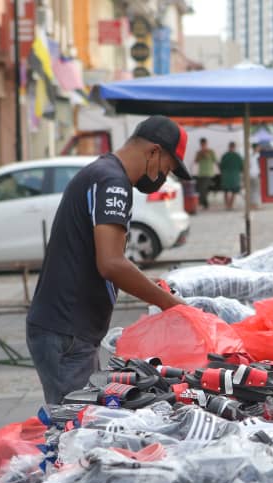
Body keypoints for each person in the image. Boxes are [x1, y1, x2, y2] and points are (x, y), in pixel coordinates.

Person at [26, 116, 191, 407]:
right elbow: (111, 264)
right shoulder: (113, 182)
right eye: (167, 169)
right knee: (77, 427)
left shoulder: (103, 174)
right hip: (67, 332)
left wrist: (151, 287)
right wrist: (169, 303)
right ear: (154, 152)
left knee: (81, 422)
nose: (164, 178)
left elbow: (105, 259)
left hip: (67, 329)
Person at [219, 142, 244, 210]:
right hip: (235, 177)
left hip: (226, 176)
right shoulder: (237, 156)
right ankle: (231, 205)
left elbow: (221, 166)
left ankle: (227, 205)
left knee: (226, 191)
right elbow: (242, 167)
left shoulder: (225, 156)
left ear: (229, 146)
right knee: (234, 191)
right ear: (234, 147)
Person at [194, 138, 217, 210]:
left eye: (204, 144)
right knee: (201, 189)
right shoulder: (198, 152)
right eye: (202, 144)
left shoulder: (211, 151)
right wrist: (201, 154)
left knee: (203, 188)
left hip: (209, 173)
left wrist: (206, 154)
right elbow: (196, 161)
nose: (203, 145)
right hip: (201, 173)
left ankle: (204, 203)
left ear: (206, 144)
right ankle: (204, 204)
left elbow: (215, 160)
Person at [248, 142, 261, 210]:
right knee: (255, 190)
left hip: (251, 174)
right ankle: (254, 204)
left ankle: (253, 204)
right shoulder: (259, 156)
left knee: (252, 190)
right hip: (255, 175)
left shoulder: (250, 156)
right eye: (258, 147)